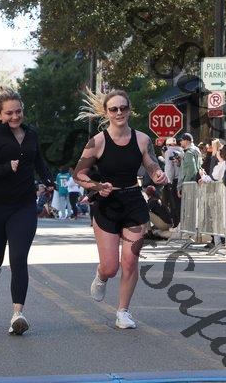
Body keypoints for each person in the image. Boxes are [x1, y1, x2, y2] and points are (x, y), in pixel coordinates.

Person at [73, 89, 167, 329]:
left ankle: (123, 312)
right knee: (111, 266)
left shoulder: (142, 139)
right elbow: (79, 174)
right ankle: (101, 275)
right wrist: (97, 186)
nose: (119, 113)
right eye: (113, 109)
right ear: (106, 112)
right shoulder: (98, 141)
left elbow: (151, 165)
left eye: (123, 108)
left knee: (130, 260)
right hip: (107, 205)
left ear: (129, 110)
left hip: (134, 202)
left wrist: (158, 174)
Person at [0, 88, 53, 335]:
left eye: (18, 111)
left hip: (23, 205)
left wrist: (47, 179)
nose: (15, 116)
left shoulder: (31, 134)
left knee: (18, 258)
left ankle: (18, 314)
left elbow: (38, 161)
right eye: (9, 113)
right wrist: (5, 167)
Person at [177, 132, 202, 198]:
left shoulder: (189, 153)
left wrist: (183, 185)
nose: (180, 142)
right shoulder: (197, 150)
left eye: (181, 140)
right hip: (196, 183)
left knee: (189, 204)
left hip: (189, 185)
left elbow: (191, 170)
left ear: (186, 141)